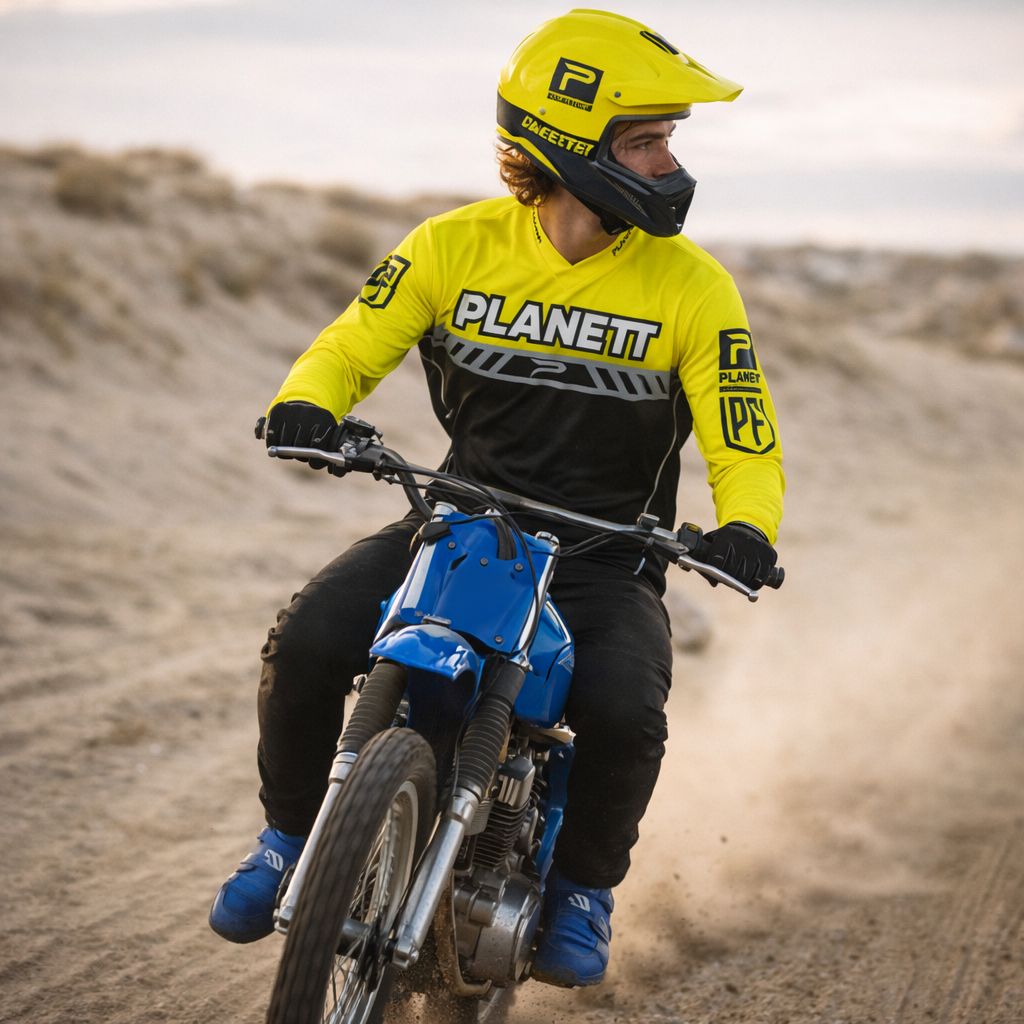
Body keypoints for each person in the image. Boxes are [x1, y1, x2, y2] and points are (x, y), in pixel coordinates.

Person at [208, 9, 784, 989]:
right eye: (644, 142)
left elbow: (743, 432)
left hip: (605, 559)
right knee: (306, 640)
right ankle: (286, 838)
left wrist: (744, 526)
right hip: (459, 527)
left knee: (623, 706)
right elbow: (354, 341)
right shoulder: (450, 246)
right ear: (570, 144)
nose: (669, 165)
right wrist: (307, 402)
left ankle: (582, 889)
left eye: (670, 142)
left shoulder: (692, 288)